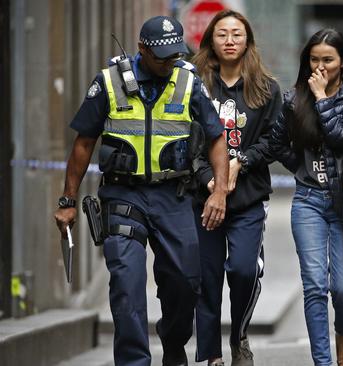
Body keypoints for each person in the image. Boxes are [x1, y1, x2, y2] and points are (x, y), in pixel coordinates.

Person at [53, 16, 229, 366]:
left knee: (184, 282)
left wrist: (219, 191)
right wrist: (67, 201)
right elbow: (84, 142)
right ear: (142, 48)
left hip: (174, 196)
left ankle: (174, 342)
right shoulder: (108, 82)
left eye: (175, 54)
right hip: (123, 196)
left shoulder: (188, 81)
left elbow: (216, 137)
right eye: (161, 56)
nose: (169, 62)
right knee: (127, 285)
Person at [269, 28, 343, 366]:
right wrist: (299, 165)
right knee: (314, 286)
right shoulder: (292, 99)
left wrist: (323, 99)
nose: (320, 66)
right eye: (314, 59)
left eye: (328, 59)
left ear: (342, 61)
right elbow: (276, 142)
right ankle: (323, 362)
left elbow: (341, 136)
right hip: (308, 202)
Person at [190, 9, 281, 366]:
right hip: (202, 198)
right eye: (222, 34)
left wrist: (240, 162)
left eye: (237, 35)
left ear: (248, 42)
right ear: (211, 40)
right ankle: (211, 355)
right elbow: (184, 138)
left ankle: (239, 334)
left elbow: (275, 139)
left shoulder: (265, 88)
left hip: (248, 198)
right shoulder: (194, 86)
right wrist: (207, 178)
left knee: (243, 270)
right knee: (207, 277)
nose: (230, 41)